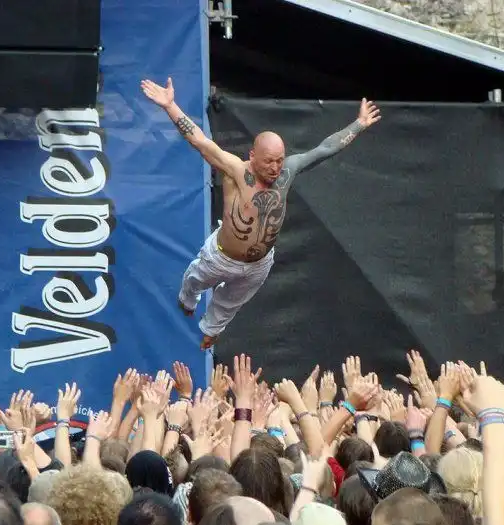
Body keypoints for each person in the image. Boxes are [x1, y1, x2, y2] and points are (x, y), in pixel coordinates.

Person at [141, 77, 381, 349]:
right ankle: (187, 299)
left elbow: (324, 149)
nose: (275, 167)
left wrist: (358, 124)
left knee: (230, 302)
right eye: (268, 161)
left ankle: (210, 329)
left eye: (279, 160)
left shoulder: (288, 170)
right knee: (196, 279)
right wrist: (170, 106)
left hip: (259, 263)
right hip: (222, 256)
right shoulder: (235, 170)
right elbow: (199, 140)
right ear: (253, 155)